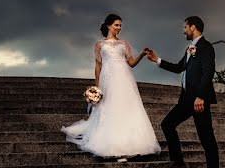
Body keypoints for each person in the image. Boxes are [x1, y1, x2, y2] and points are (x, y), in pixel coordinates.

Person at [61, 14, 161, 158]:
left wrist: (142, 54)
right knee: (109, 106)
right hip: (107, 79)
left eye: (120, 25)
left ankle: (132, 142)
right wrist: (97, 87)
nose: (119, 28)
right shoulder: (99, 44)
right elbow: (97, 66)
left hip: (124, 78)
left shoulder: (124, 44)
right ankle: (110, 141)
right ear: (108, 25)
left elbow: (131, 63)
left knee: (127, 106)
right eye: (116, 25)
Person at [146, 16, 222, 168]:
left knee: (207, 138)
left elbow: (208, 72)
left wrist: (201, 96)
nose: (184, 30)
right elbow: (179, 67)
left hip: (198, 100)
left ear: (193, 27)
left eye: (185, 27)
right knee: (167, 124)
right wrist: (157, 60)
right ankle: (179, 163)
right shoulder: (190, 48)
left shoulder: (206, 47)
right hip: (187, 99)